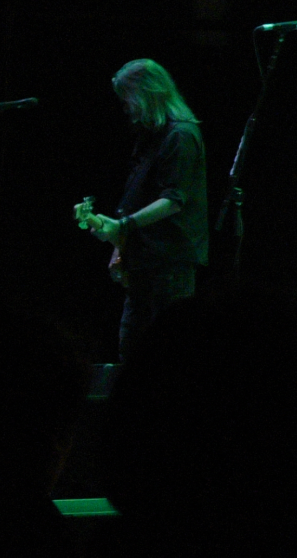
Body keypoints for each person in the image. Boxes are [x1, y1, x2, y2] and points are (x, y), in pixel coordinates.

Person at [74, 58, 209, 360]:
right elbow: (136, 200)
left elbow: (173, 200)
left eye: (128, 100)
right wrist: (120, 246)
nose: (126, 109)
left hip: (170, 262)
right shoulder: (152, 136)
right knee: (132, 351)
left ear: (148, 93)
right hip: (144, 262)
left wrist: (124, 227)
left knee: (166, 353)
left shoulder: (181, 135)